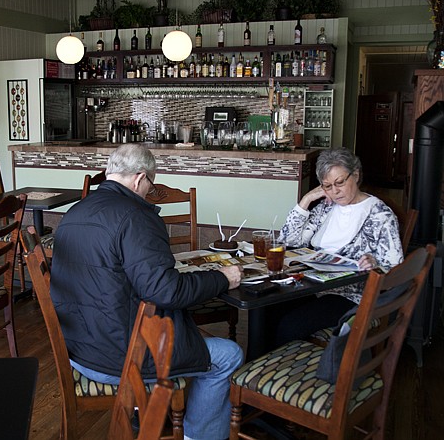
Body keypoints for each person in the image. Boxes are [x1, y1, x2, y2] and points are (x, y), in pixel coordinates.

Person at [50, 143, 244, 440]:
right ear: (140, 178)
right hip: (119, 358)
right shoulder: (136, 216)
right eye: (150, 185)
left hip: (77, 349)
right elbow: (166, 292)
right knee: (229, 355)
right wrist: (222, 278)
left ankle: (150, 409)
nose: (149, 192)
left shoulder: (76, 211)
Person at [268, 147, 404, 348]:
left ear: (355, 175)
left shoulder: (380, 216)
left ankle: (286, 366)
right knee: (267, 308)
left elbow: (396, 271)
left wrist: (375, 263)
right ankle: (260, 366)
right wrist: (306, 200)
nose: (335, 191)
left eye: (340, 183)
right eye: (327, 186)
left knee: (290, 325)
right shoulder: (327, 207)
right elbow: (288, 242)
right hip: (311, 285)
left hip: (349, 296)